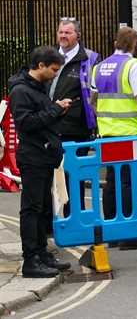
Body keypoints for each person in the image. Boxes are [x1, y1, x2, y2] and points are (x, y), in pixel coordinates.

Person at [90, 26, 137, 249]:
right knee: (130, 182)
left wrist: (102, 122)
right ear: (135, 44)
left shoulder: (99, 67)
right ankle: (131, 235)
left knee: (112, 182)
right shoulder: (134, 66)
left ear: (115, 43)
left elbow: (92, 100)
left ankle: (112, 232)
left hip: (107, 133)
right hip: (130, 134)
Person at [10, 47, 74, 278]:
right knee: (32, 209)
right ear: (40, 66)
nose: (56, 74)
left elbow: (43, 119)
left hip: (45, 155)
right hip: (33, 157)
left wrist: (58, 110)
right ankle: (31, 261)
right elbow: (25, 123)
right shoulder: (20, 91)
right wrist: (54, 109)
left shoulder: (38, 88)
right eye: (54, 70)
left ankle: (42, 254)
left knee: (44, 208)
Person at [50, 17, 95, 143]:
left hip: (76, 130)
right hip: (48, 125)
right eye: (60, 32)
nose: (63, 36)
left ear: (78, 36)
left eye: (68, 33)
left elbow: (94, 93)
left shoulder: (89, 58)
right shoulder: (48, 56)